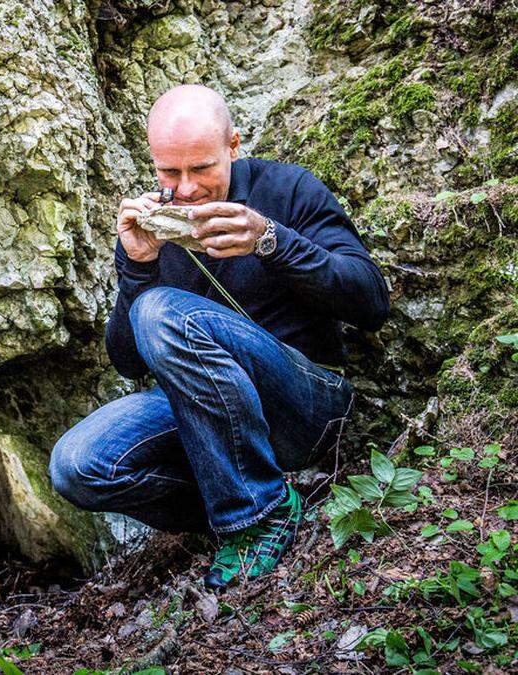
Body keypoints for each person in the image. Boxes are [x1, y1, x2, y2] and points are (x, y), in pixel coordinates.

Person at [49, 84, 390, 590]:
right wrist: (138, 267)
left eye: (201, 168)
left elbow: (371, 304)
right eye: (170, 171)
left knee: (162, 310)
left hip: (305, 403)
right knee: (77, 467)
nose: (185, 189)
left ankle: (257, 514)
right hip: (204, 418)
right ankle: (240, 499)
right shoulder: (158, 223)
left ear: (233, 145)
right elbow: (128, 362)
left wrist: (270, 241)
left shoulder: (287, 189)